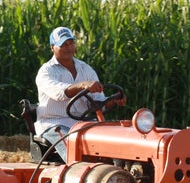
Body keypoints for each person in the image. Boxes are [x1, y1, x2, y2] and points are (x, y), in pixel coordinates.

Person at [34, 26, 126, 161]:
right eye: (63, 45)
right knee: (75, 154)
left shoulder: (85, 69)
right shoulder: (46, 71)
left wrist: (114, 100)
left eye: (71, 43)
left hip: (82, 123)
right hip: (55, 124)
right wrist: (83, 85)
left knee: (115, 144)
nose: (68, 48)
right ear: (52, 48)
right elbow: (59, 92)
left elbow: (98, 103)